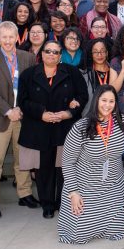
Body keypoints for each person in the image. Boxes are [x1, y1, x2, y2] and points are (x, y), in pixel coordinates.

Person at [18, 40, 87, 218]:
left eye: (55, 52)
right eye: (47, 51)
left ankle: (63, 203)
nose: (51, 55)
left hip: (64, 127)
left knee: (64, 168)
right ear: (41, 54)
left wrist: (69, 112)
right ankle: (47, 204)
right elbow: (23, 101)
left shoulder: (72, 73)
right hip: (39, 127)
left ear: (60, 55)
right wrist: (41, 113)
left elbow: (82, 95)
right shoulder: (28, 74)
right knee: (44, 169)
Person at [0, 21, 38, 219]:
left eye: (11, 37)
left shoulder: (28, 58)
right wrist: (8, 110)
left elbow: (33, 86)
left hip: (23, 117)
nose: (7, 41)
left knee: (23, 159)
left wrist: (22, 108)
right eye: (3, 37)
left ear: (17, 38)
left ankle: (25, 193)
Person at [58, 85, 124, 240]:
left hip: (113, 187)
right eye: (104, 100)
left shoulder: (121, 122)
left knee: (116, 233)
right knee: (77, 236)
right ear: (96, 100)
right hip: (86, 187)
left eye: (111, 101)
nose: (107, 105)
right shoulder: (81, 127)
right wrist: (73, 192)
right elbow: (67, 162)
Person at [82, 38, 117, 113]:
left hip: (113, 115)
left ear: (107, 53)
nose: (99, 54)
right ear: (91, 54)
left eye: (102, 51)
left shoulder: (115, 71)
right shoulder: (85, 74)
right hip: (91, 116)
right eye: (95, 52)